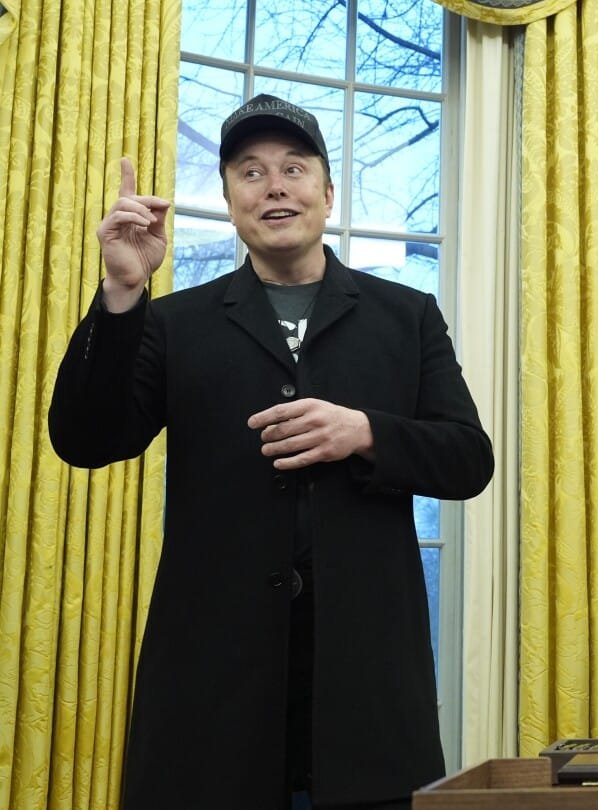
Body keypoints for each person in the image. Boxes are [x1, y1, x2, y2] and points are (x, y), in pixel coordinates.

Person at [49, 95, 494, 809]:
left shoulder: (406, 315)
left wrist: (366, 432)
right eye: (251, 173)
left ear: (327, 192)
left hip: (367, 690)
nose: (274, 186)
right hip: (211, 693)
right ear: (230, 201)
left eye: (294, 168)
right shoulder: (173, 322)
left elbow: (469, 458)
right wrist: (122, 291)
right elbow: (85, 440)